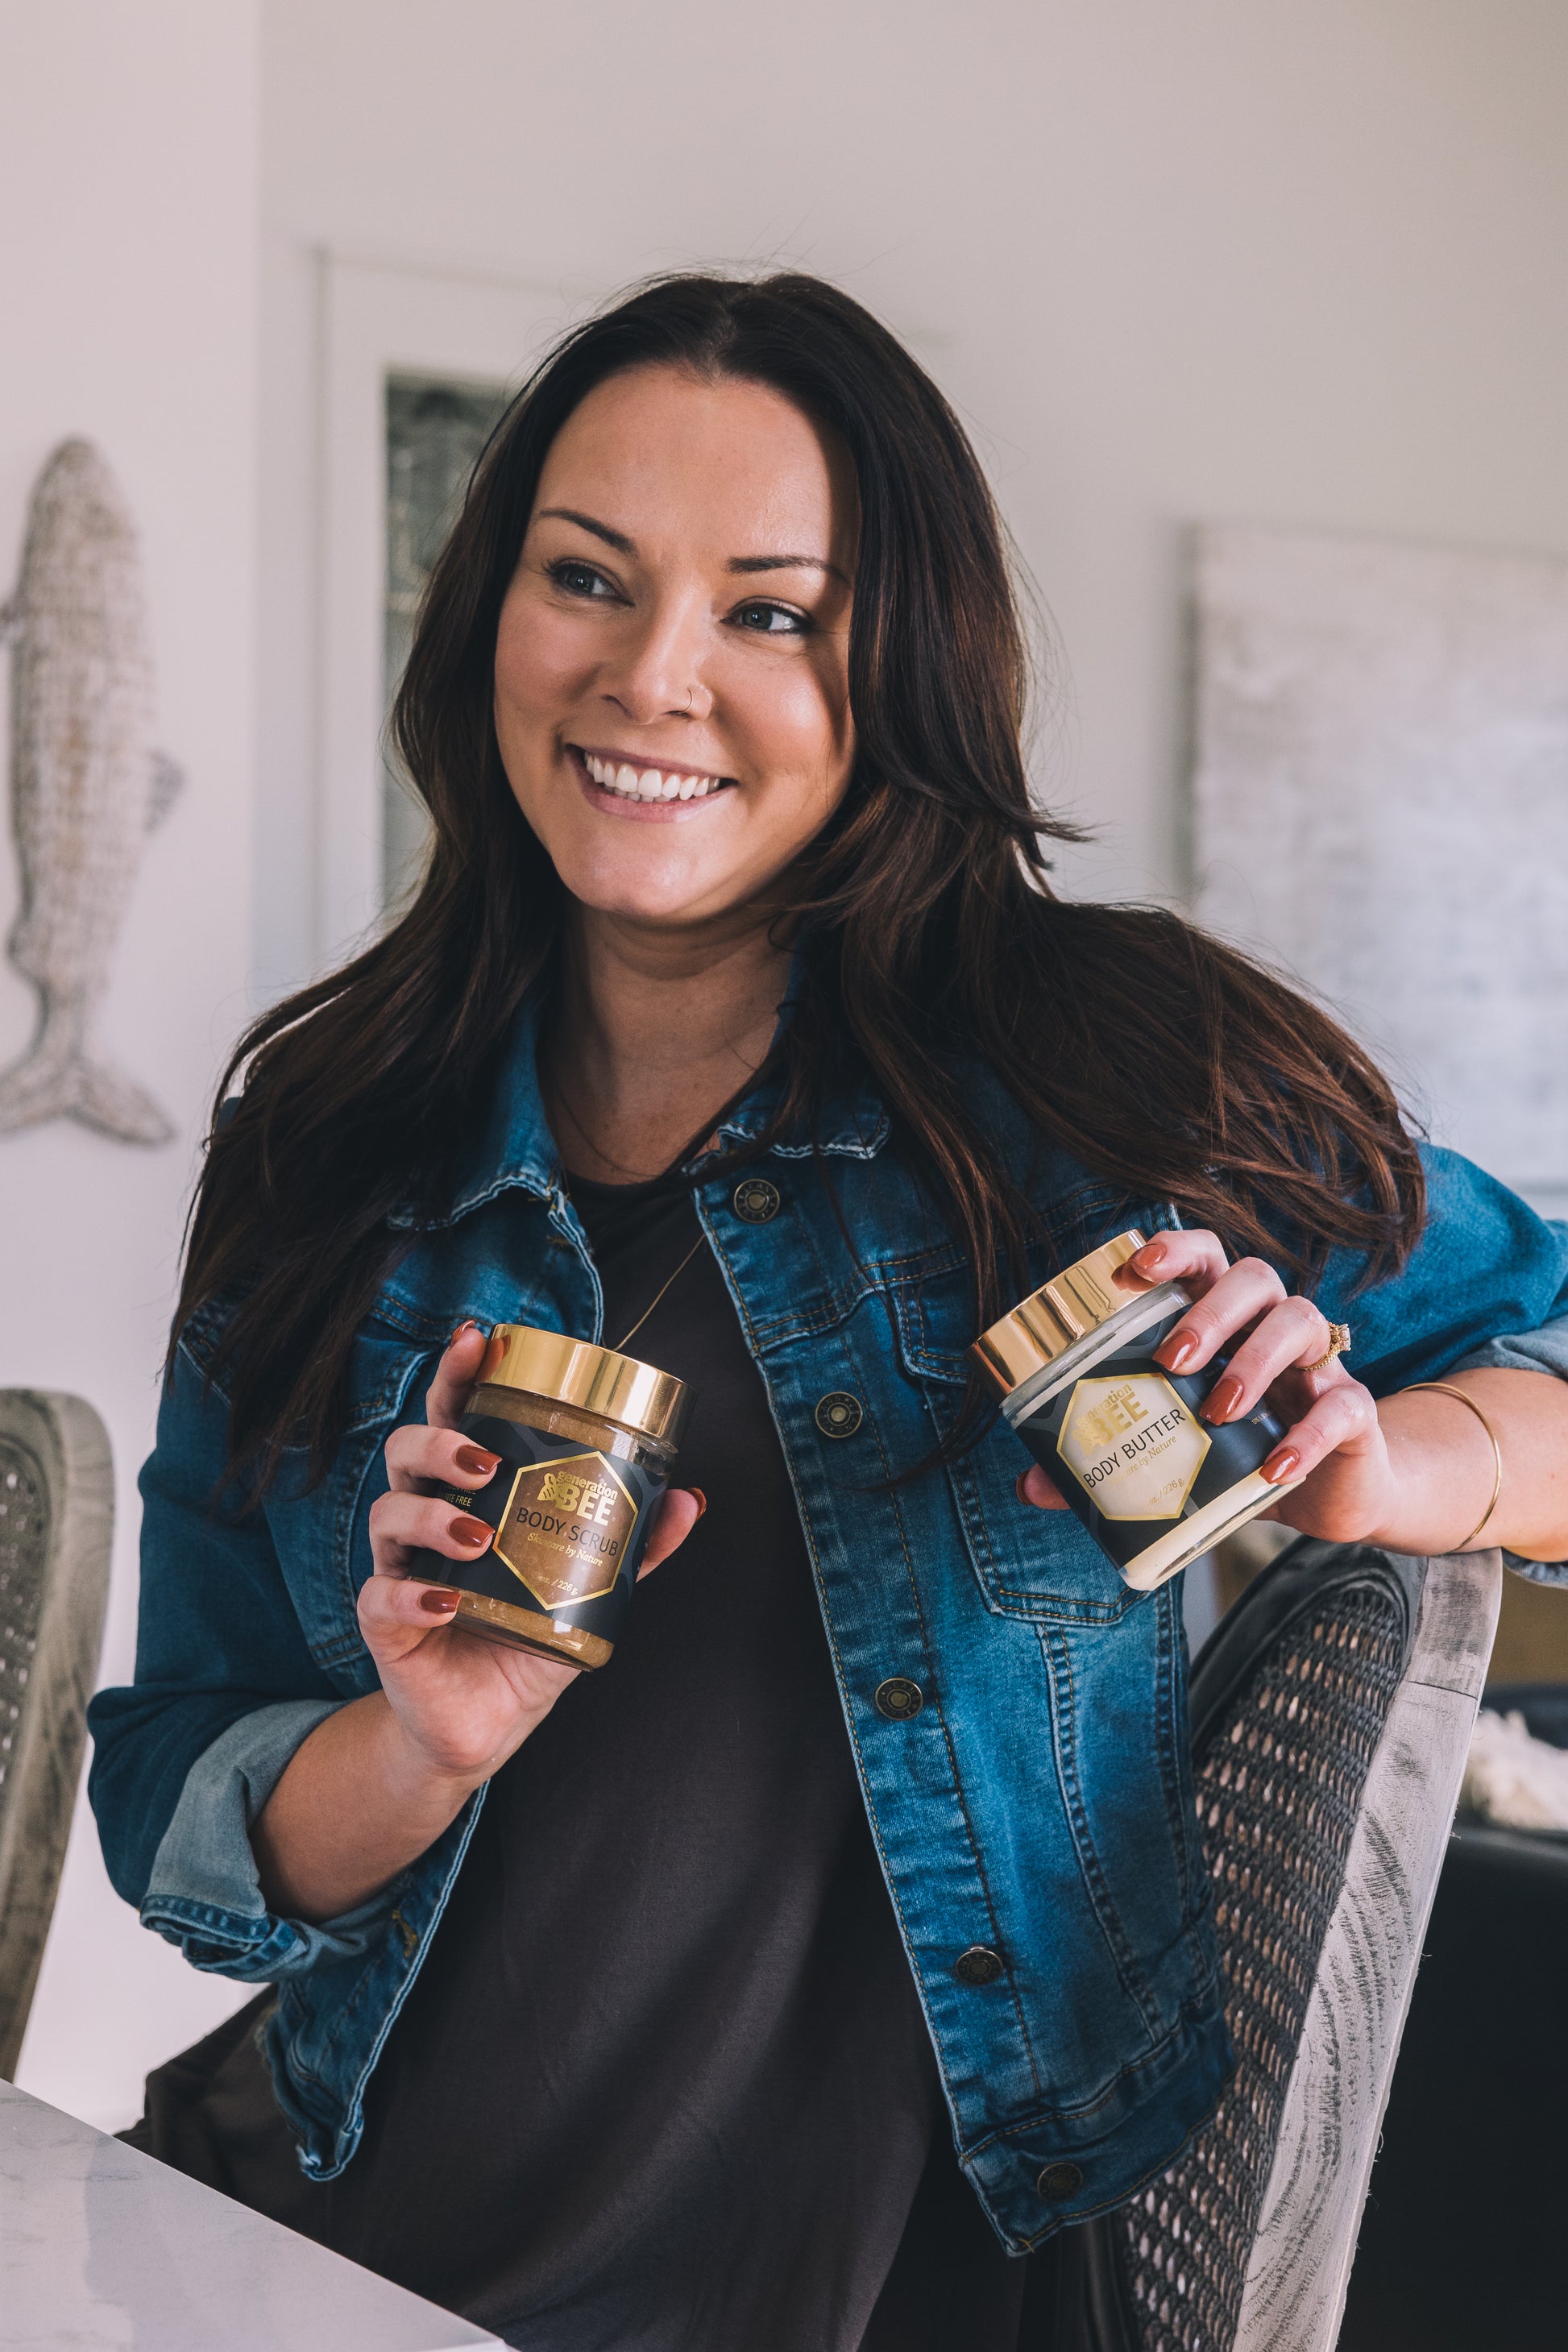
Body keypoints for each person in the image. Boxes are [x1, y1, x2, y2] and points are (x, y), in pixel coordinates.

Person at [89, 273, 1568, 2352]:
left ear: (907, 665)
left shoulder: (1109, 1077)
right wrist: (413, 1744)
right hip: (315, 2248)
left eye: (770, 610)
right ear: (485, 618)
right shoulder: (329, 1145)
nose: (652, 676)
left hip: (888, 2293)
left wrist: (1385, 1457)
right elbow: (170, 1797)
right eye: (583, 577)